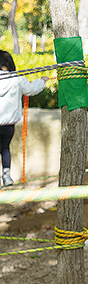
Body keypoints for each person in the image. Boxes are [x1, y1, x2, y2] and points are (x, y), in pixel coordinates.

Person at [0, 50, 47, 187]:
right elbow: (32, 89)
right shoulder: (17, 79)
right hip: (9, 124)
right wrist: (42, 81)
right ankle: (6, 176)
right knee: (5, 148)